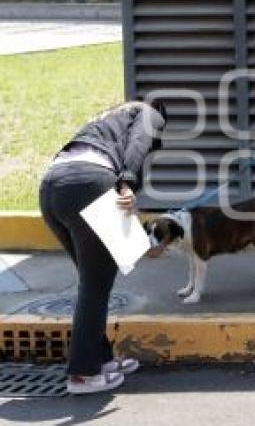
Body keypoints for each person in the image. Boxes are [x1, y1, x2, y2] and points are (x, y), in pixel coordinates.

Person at [39, 99, 167, 394]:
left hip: (51, 187)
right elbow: (138, 144)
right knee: (96, 285)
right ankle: (83, 375)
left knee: (92, 282)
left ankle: (102, 361)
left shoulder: (105, 118)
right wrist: (128, 184)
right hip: (89, 184)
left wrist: (140, 243)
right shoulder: (150, 114)